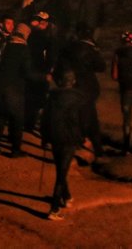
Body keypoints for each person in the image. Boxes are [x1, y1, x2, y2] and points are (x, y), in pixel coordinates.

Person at [0, 24, 42, 158]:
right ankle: (15, 150)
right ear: (26, 34)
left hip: (0, 87)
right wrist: (42, 77)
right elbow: (28, 72)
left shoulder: (5, 45)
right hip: (15, 89)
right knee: (17, 120)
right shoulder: (23, 49)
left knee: (0, 117)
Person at [57, 26, 107, 158]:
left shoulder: (68, 48)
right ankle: (97, 150)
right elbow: (101, 67)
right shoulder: (91, 49)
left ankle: (78, 142)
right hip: (88, 87)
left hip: (72, 86)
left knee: (73, 116)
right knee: (91, 117)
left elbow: (60, 66)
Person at [41, 70, 85, 221]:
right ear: (73, 82)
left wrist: (44, 137)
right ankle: (54, 208)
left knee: (61, 168)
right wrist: (81, 138)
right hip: (68, 139)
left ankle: (66, 197)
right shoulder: (78, 99)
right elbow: (79, 121)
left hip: (54, 137)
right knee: (61, 174)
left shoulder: (52, 97)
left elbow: (45, 118)